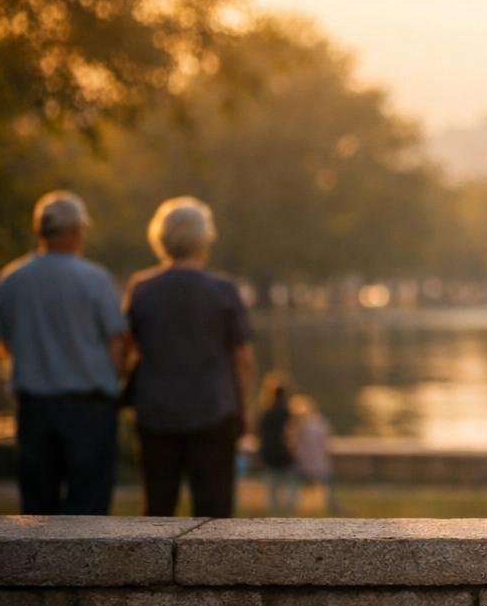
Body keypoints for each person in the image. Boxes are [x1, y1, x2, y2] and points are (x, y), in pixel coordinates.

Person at [0, 192, 127, 515]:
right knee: (90, 504)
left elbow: (6, 344)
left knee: (38, 505)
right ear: (77, 230)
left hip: (34, 405)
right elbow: (117, 340)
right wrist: (113, 378)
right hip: (89, 405)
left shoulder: (12, 280)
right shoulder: (94, 279)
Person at [123, 198, 255, 518]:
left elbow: (128, 349)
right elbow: (242, 359)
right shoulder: (223, 289)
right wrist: (243, 408)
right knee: (214, 511)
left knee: (157, 506)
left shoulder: (142, 289)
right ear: (203, 240)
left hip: (156, 412)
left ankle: (154, 567)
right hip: (214, 410)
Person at [289, 395, 337, 515]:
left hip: (303, 467)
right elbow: (327, 445)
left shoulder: (298, 425)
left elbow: (293, 447)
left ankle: (291, 505)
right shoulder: (322, 423)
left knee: (294, 480)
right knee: (328, 481)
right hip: (321, 466)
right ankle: (330, 504)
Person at [257, 376, 296, 515]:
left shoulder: (265, 412)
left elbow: (258, 432)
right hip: (283, 452)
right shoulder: (285, 412)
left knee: (271, 486)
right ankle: (289, 509)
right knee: (290, 483)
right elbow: (289, 433)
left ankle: (273, 512)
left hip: (268, 452)